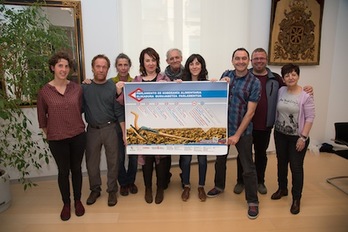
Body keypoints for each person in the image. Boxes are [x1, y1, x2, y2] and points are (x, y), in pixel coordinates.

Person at [232, 48, 314, 195]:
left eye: (262, 58)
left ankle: (260, 181)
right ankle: (240, 181)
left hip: (265, 125)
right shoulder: (245, 76)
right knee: (243, 155)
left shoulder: (276, 78)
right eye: (256, 58)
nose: (259, 61)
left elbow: (291, 89)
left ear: (266, 60)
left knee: (261, 154)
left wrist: (308, 89)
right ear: (251, 60)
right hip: (245, 124)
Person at [207, 48, 261, 219]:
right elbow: (216, 98)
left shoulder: (254, 82)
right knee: (219, 161)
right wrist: (217, 83)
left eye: (244, 58)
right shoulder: (227, 74)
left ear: (249, 61)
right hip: (222, 129)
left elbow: (250, 112)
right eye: (237, 58)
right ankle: (219, 186)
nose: (240, 61)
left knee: (248, 167)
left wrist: (237, 134)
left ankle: (252, 201)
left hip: (242, 131)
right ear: (232, 60)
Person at [37, 51, 86, 221]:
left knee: (77, 169)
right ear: (53, 67)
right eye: (60, 66)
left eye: (66, 66)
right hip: (57, 139)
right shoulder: (44, 92)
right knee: (63, 172)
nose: (63, 69)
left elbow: (79, 109)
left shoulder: (77, 88)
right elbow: (42, 120)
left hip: (78, 136)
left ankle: (78, 201)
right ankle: (66, 203)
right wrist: (54, 134)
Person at [82, 54, 126, 207]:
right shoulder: (85, 87)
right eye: (98, 66)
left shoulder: (112, 87)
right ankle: (95, 189)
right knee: (91, 163)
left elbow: (119, 112)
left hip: (110, 129)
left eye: (104, 67)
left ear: (108, 69)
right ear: (93, 68)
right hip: (92, 130)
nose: (101, 70)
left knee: (113, 162)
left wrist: (124, 133)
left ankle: (112, 190)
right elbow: (78, 109)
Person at [271, 63, 315, 215]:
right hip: (280, 134)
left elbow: (310, 117)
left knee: (296, 168)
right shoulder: (281, 90)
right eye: (287, 75)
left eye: (293, 74)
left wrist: (303, 137)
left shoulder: (306, 95)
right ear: (283, 78)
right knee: (281, 163)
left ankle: (296, 198)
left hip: (298, 137)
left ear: (298, 75)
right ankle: (282, 189)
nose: (290, 77)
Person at [133, 47, 171, 204]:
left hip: (161, 127)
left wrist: (174, 85)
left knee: (161, 161)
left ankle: (160, 188)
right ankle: (148, 188)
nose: (150, 63)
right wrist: (118, 90)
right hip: (143, 128)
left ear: (157, 62)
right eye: (147, 60)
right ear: (142, 62)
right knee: (147, 160)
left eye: (153, 60)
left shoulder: (164, 78)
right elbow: (124, 102)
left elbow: (174, 101)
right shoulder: (136, 80)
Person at [179, 54, 209, 202]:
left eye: (198, 63)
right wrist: (174, 86)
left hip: (203, 129)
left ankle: (201, 186)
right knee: (185, 160)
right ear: (188, 66)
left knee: (202, 160)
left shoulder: (209, 84)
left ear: (202, 66)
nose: (195, 66)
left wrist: (223, 83)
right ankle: (186, 186)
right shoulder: (181, 83)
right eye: (191, 64)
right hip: (186, 129)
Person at [111, 53, 138, 197]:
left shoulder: (134, 82)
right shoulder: (110, 83)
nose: (123, 68)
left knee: (133, 156)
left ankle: (131, 181)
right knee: (120, 157)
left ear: (129, 66)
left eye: (125, 65)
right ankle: (123, 183)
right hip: (116, 125)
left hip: (133, 125)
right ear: (116, 66)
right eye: (120, 65)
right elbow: (113, 105)